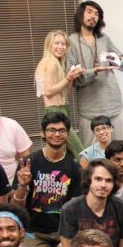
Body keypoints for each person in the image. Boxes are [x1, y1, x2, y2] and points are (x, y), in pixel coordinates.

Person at [11, 111, 82, 247]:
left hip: (62, 232)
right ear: (42, 133)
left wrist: (64, 242)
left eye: (61, 130)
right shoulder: (29, 163)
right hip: (34, 232)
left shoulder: (74, 168)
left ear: (67, 134)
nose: (57, 134)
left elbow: (76, 209)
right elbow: (15, 209)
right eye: (52, 130)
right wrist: (22, 186)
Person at [67, 0, 123, 144]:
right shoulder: (71, 41)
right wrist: (94, 71)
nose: (93, 16)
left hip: (113, 102)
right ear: (80, 15)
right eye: (89, 12)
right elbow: (73, 79)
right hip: (89, 109)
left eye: (97, 14)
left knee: (121, 150)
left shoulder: (104, 39)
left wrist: (116, 61)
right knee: (91, 155)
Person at [34, 29, 85, 157]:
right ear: (49, 45)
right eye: (57, 43)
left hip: (57, 109)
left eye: (63, 44)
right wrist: (68, 78)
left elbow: (60, 92)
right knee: (80, 151)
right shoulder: (51, 63)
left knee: (65, 153)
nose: (60, 47)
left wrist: (70, 78)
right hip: (56, 110)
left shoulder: (47, 62)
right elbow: (48, 91)